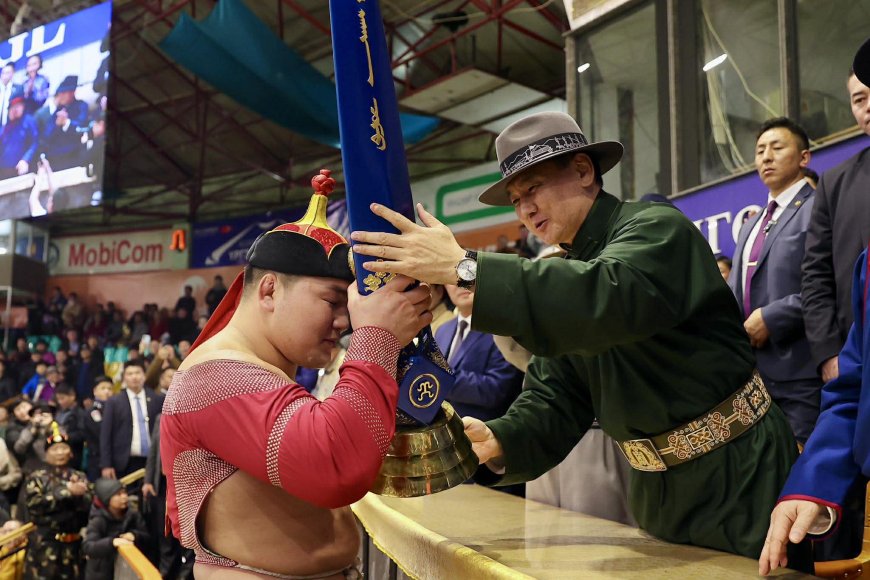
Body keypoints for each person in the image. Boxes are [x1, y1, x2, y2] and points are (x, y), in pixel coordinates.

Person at [350, 112, 803, 564]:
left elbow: (605, 295)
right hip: (655, 494)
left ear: (585, 171)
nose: (525, 208)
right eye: (515, 198)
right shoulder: (566, 276)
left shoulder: (657, 229)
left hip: (742, 474)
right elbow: (557, 396)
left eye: (534, 188)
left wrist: (466, 267)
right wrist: (500, 437)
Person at [160, 173, 432, 578]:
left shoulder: (264, 371)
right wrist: (378, 338)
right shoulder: (214, 376)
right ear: (269, 291)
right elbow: (333, 466)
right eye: (332, 300)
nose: (346, 321)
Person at [759, 36, 870, 576]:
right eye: (859, 97)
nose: (868, 106)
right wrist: (813, 486)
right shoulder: (841, 187)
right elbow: (819, 278)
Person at [727, 118, 821, 444]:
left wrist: (771, 317)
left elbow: (827, 285)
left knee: (802, 479)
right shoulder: (751, 224)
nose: (766, 157)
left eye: (777, 148)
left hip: (802, 371)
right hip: (753, 378)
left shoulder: (817, 207)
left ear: (804, 157)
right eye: (759, 151)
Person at [435, 284, 523, 422]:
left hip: (485, 429)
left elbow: (497, 390)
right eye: (450, 280)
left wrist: (438, 377)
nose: (460, 285)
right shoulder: (443, 330)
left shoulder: (503, 328)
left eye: (466, 275)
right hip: (442, 428)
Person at [24, 424, 92, 580]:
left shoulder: (79, 476)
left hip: (74, 546)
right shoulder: (37, 477)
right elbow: (34, 505)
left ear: (71, 452)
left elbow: (90, 506)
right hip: (46, 547)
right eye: (55, 449)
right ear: (46, 454)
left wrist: (81, 494)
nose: (60, 452)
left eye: (63, 448)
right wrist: (67, 492)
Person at [100, 361, 163, 481]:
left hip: (152, 461)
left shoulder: (157, 399)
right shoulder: (114, 402)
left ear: (144, 375)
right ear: (124, 378)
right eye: (130, 374)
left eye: (137, 373)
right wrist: (106, 464)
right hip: (124, 461)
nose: (134, 377)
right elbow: (106, 435)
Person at [83, 478, 150, 580]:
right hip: (100, 573)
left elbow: (147, 537)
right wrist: (112, 542)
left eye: (125, 493)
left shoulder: (133, 514)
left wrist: (134, 535)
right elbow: (88, 547)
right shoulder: (98, 520)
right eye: (118, 494)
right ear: (107, 498)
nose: (124, 497)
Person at [0, 86, 37, 179]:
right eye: (13, 106)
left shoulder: (29, 121)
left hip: (20, 169)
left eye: (18, 105)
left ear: (23, 106)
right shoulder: (6, 126)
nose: (15, 109)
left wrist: (25, 159)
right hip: (3, 169)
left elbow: (34, 143)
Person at [83, 377, 114, 482]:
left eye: (110, 388)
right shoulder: (92, 412)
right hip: (97, 460)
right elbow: (101, 432)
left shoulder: (117, 409)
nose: (107, 391)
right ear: (95, 391)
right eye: (103, 388)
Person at [0, 63, 17, 128]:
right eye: (3, 73)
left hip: (10, 127)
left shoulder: (18, 89)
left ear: (12, 73)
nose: (4, 76)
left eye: (7, 73)